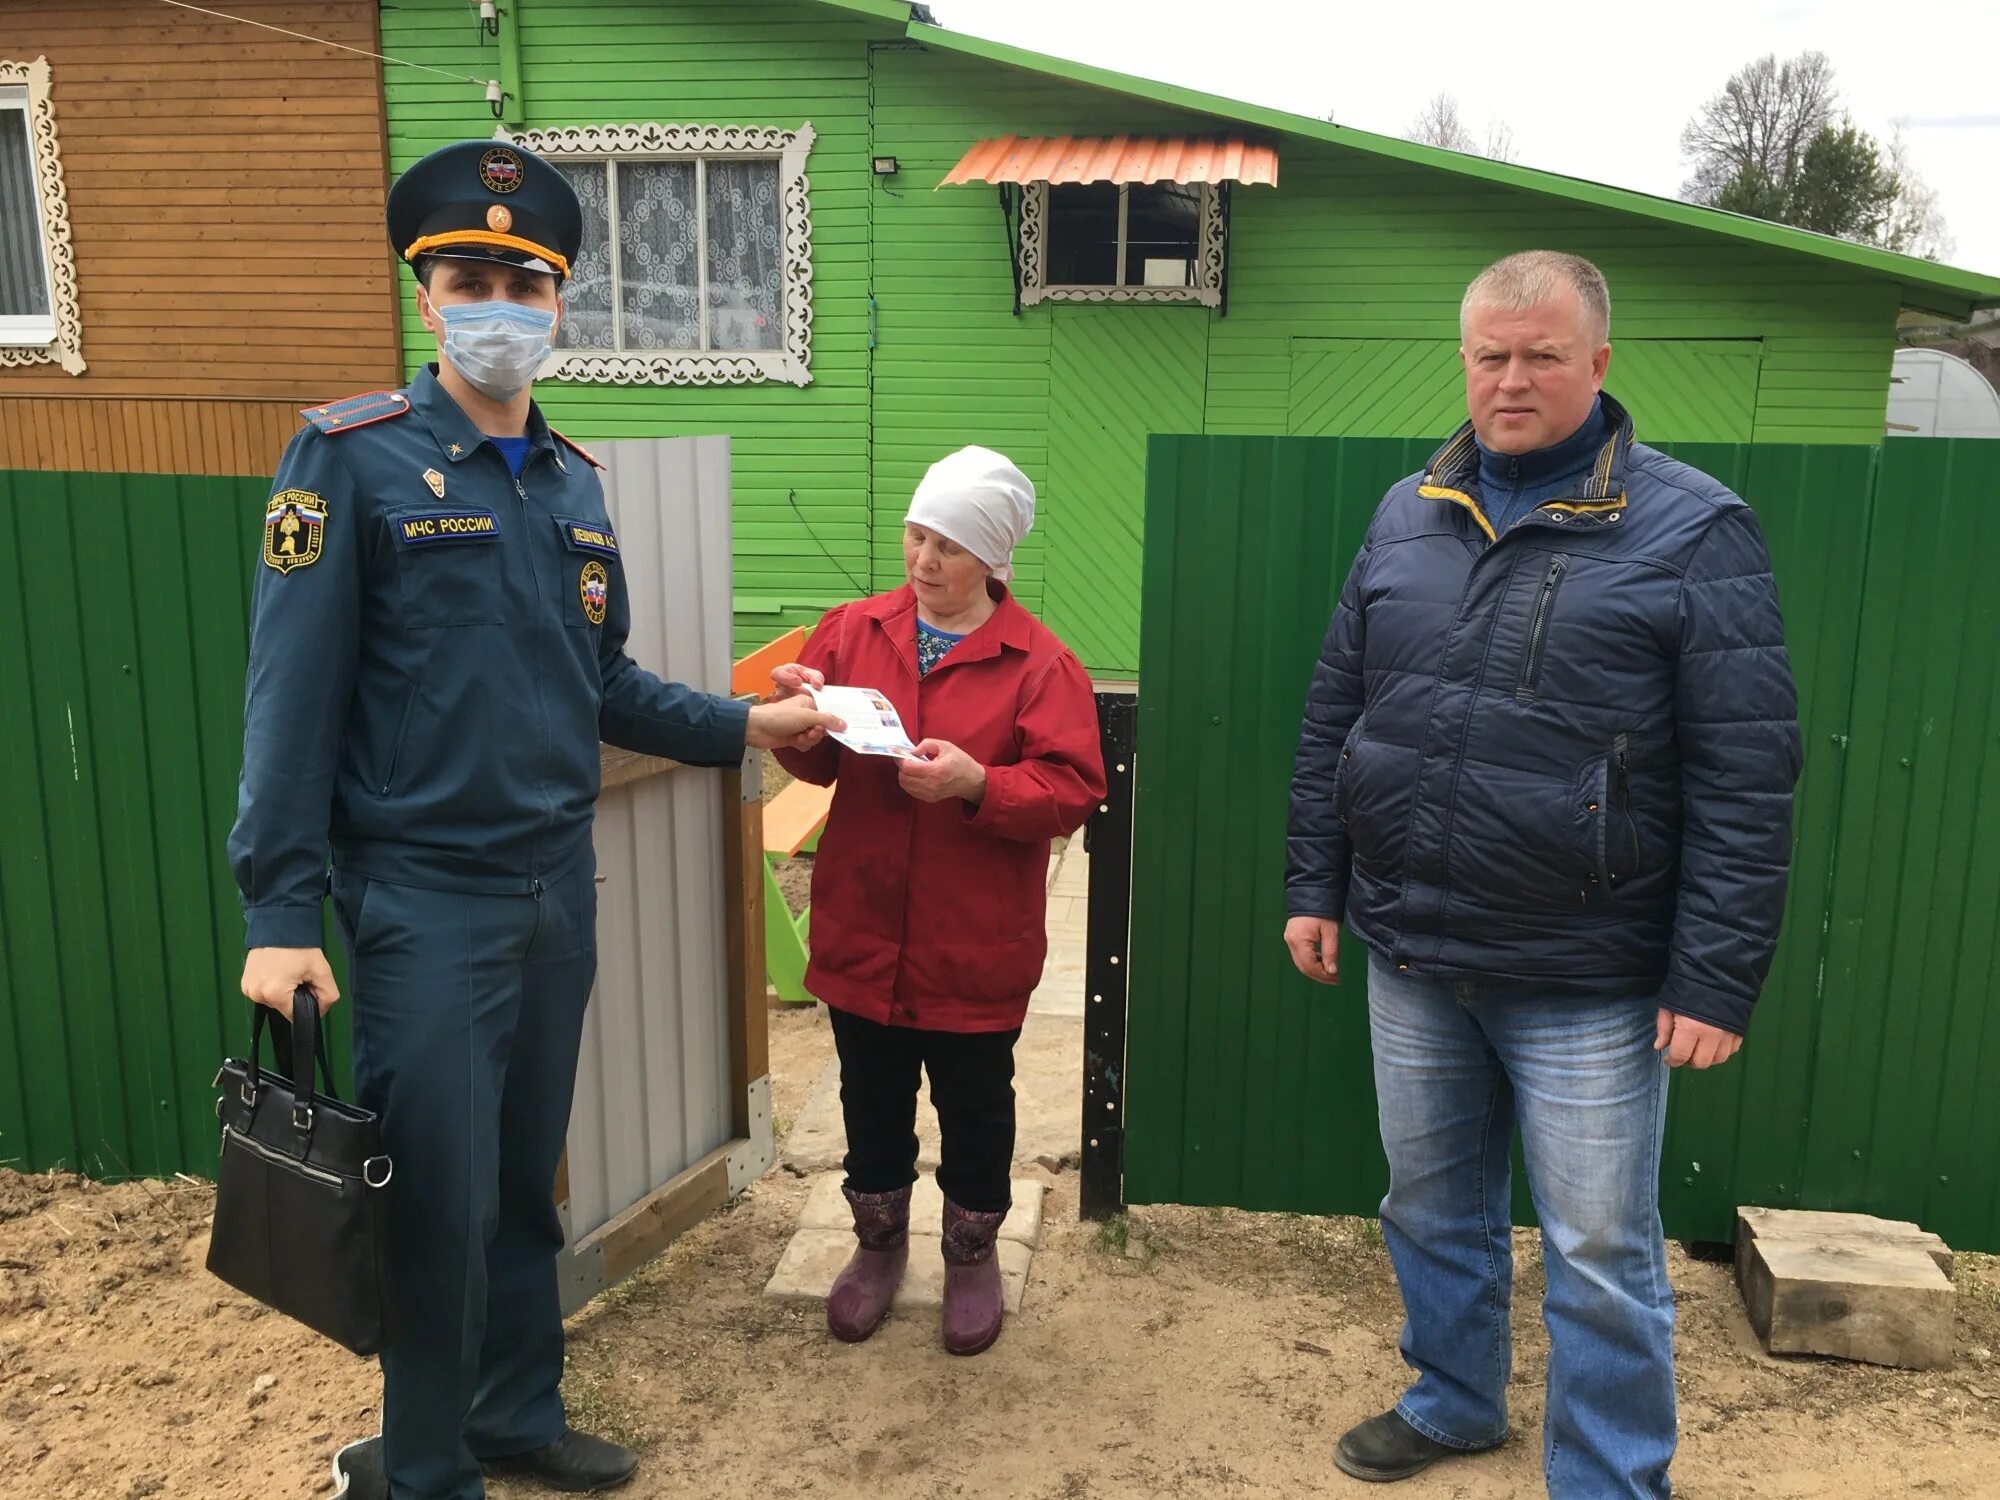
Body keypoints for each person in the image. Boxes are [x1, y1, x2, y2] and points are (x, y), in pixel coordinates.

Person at [227, 140, 837, 1500]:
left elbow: (601, 682)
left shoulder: (571, 481)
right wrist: (278, 912)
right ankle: (426, 1468)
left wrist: (751, 726)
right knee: (434, 1199)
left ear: (559, 305)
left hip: (556, 888)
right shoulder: (350, 464)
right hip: (425, 902)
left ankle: (513, 1414)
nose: (498, 300)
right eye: (470, 275)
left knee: (517, 1182)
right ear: (427, 293)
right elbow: (290, 702)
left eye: (526, 280)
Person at [1282, 251, 1801, 1499]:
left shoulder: (1693, 530)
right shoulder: (1405, 509)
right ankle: (1453, 1401)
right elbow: (1335, 713)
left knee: (1598, 1248)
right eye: (1488, 356)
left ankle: (1611, 1479)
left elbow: (1744, 774)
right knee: (1426, 1204)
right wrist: (1316, 882)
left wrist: (1714, 979)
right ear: (1463, 361)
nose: (1510, 381)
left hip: (1588, 975)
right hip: (1410, 952)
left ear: (1598, 364)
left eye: (1541, 356)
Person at [771, 446, 1106, 1355]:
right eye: (917, 535)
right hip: (864, 924)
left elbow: (1075, 786)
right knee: (869, 1100)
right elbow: (816, 758)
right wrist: (798, 714)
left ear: (992, 559)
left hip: (972, 943)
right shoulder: (852, 629)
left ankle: (969, 1257)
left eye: (948, 546)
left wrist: (977, 787)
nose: (923, 561)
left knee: (974, 1108)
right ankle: (876, 1249)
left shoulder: (1040, 664)